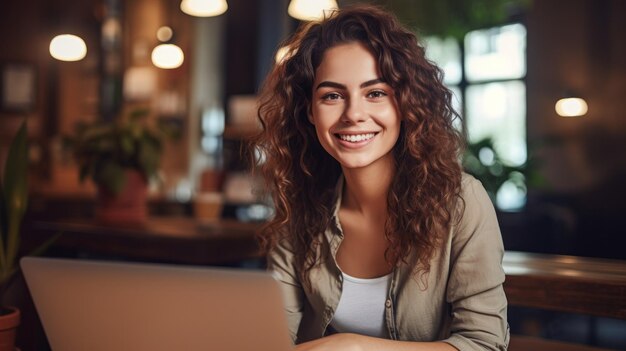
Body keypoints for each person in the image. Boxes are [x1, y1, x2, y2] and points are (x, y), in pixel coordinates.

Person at [250, 4, 509, 351]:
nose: (354, 114)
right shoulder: (298, 206)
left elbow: (485, 344)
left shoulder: (461, 201)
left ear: (404, 103)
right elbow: (273, 339)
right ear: (310, 111)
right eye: (332, 96)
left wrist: (355, 347)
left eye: (375, 93)